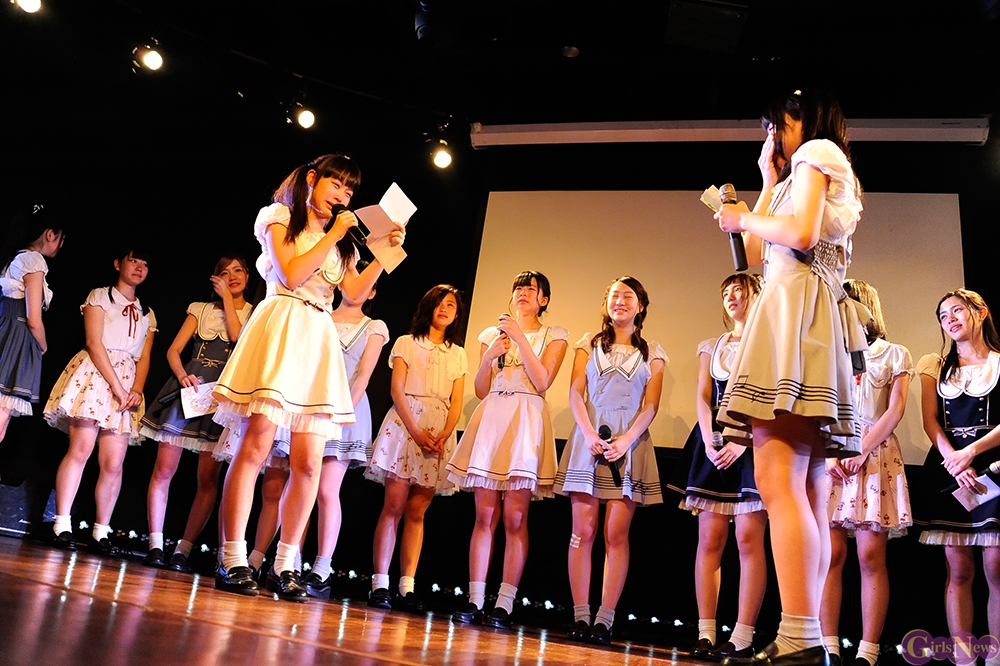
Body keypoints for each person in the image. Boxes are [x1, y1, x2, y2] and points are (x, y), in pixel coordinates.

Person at [714, 89, 866, 666]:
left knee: (780, 480)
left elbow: (799, 235)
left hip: (795, 313)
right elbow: (754, 254)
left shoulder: (817, 152)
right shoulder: (799, 168)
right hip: (800, 312)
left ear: (806, 118)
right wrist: (763, 182)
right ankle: (807, 635)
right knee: (805, 490)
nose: (773, 134)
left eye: (777, 123)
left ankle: (801, 636)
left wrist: (741, 216)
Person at [211, 153, 404, 601]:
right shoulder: (280, 217)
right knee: (256, 445)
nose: (343, 196)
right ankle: (233, 556)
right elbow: (291, 272)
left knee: (309, 462)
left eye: (350, 190)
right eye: (337, 185)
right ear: (313, 179)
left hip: (319, 334)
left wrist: (385, 253)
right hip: (282, 323)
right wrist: (333, 233)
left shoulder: (342, 242)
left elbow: (353, 292)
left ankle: (285, 564)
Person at [447, 271, 569, 629]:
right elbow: (481, 389)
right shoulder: (492, 335)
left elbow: (543, 380)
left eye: (531, 289)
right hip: (494, 415)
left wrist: (520, 338)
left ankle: (504, 602)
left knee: (515, 517)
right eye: (518, 288)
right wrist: (489, 357)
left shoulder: (554, 335)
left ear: (543, 300)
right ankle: (474, 598)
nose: (523, 293)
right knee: (484, 515)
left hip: (526, 417)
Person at [265, 260, 389, 599]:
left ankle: (322, 568)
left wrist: (339, 412)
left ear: (371, 291)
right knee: (299, 482)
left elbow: (363, 377)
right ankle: (288, 561)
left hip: (345, 410)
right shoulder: (320, 315)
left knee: (326, 490)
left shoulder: (374, 327)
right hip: (311, 404)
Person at [553, 276, 665, 645]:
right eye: (614, 295)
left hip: (629, 444)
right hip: (589, 440)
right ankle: (580, 616)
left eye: (627, 296)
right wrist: (587, 434)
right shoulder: (587, 345)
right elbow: (575, 392)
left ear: (640, 306)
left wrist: (626, 441)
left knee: (616, 534)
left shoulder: (653, 354)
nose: (620, 301)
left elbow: (651, 405)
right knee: (581, 532)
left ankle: (605, 619)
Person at [667, 273, 767, 659]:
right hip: (714, 441)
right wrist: (710, 437)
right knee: (709, 539)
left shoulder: (772, 342)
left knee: (748, 539)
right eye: (726, 292)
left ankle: (742, 636)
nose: (731, 297)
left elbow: (776, 395)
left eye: (739, 290)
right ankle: (706, 632)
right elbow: (702, 394)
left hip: (753, 442)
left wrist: (744, 441)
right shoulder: (713, 346)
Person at [138, 255, 253, 570]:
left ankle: (184, 550)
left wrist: (228, 300)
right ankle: (155, 544)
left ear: (248, 275)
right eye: (224, 273)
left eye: (238, 271)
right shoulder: (199, 309)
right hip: (189, 391)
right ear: (215, 279)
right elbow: (173, 350)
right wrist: (182, 376)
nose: (232, 276)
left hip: (221, 397)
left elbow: (237, 337)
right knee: (164, 468)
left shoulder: (252, 313)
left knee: (207, 477)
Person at [821, 279, 911, 666]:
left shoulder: (894, 353)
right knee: (830, 555)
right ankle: (828, 646)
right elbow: (816, 408)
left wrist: (861, 449)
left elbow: (895, 409)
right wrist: (830, 453)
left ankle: (868, 651)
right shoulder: (826, 352)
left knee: (870, 556)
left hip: (874, 457)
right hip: (831, 458)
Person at [45, 248, 156, 555]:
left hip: (126, 382)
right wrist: (117, 387)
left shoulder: (147, 312)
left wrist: (136, 389)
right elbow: (94, 343)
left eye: (145, 263)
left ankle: (101, 532)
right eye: (134, 260)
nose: (139, 267)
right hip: (96, 375)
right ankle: (62, 524)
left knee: (113, 463)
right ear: (118, 263)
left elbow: (145, 357)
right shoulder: (101, 296)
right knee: (80, 450)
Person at [365, 284, 467, 612]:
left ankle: (406, 586)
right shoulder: (406, 343)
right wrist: (416, 430)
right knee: (394, 505)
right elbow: (397, 389)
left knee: (418, 510)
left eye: (451, 305)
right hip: (405, 424)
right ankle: (380, 583)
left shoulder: (458, 353)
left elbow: (456, 401)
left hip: (438, 431)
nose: (445, 309)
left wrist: (445, 433)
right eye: (440, 303)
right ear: (429, 307)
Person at [913, 288, 1000, 663]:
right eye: (943, 315)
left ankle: (995, 656)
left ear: (980, 313)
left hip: (993, 468)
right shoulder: (934, 365)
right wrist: (954, 459)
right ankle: (964, 656)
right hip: (949, 470)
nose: (949, 319)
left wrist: (971, 453)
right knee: (959, 566)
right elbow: (930, 421)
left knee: (996, 566)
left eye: (956, 311)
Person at [0, 204, 65, 443]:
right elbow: (34, 319)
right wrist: (42, 345)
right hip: (16, 338)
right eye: (60, 238)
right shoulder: (33, 260)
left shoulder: (13, 258)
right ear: (50, 234)